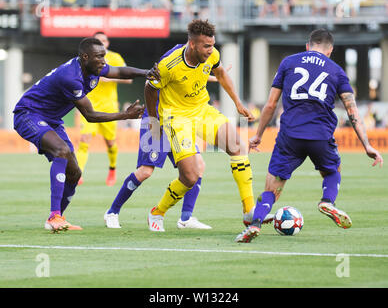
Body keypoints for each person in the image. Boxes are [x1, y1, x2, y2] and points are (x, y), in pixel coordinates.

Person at [235, 28, 383, 243]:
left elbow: (270, 104)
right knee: (333, 171)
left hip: (290, 135)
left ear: (308, 45)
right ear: (330, 50)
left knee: (272, 185)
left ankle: (255, 223)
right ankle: (327, 201)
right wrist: (367, 145)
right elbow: (352, 112)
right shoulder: (337, 71)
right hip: (321, 136)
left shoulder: (288, 62)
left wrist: (258, 134)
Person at [13, 37, 159, 233]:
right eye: (99, 57)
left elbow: (117, 71)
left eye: (104, 56)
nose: (104, 61)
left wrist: (146, 73)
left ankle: (57, 219)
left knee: (74, 173)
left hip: (52, 120)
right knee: (62, 151)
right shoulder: (70, 77)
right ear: (85, 57)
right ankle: (54, 216)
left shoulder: (92, 67)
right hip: (28, 114)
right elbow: (90, 115)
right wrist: (125, 115)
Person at [144, 19, 256, 232]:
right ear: (193, 45)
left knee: (238, 147)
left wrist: (238, 103)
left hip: (201, 110)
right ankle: (157, 212)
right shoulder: (168, 64)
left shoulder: (212, 55)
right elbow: (150, 88)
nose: (211, 50)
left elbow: (221, 73)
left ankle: (249, 211)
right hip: (176, 117)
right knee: (190, 176)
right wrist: (153, 121)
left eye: (212, 45)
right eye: (206, 46)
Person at [104, 66, 233, 229]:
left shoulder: (191, 64)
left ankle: (186, 218)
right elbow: (151, 83)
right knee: (145, 171)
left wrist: (214, 77)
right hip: (156, 121)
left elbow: (191, 76)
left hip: (177, 122)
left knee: (198, 165)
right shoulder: (171, 62)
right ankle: (112, 212)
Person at [76, 32, 133, 187]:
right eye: (98, 40)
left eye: (103, 40)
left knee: (110, 142)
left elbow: (128, 78)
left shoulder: (115, 58)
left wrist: (107, 78)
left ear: (107, 43)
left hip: (108, 106)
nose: (101, 42)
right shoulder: (86, 59)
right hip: (89, 105)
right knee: (84, 139)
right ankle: (78, 173)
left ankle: (112, 169)